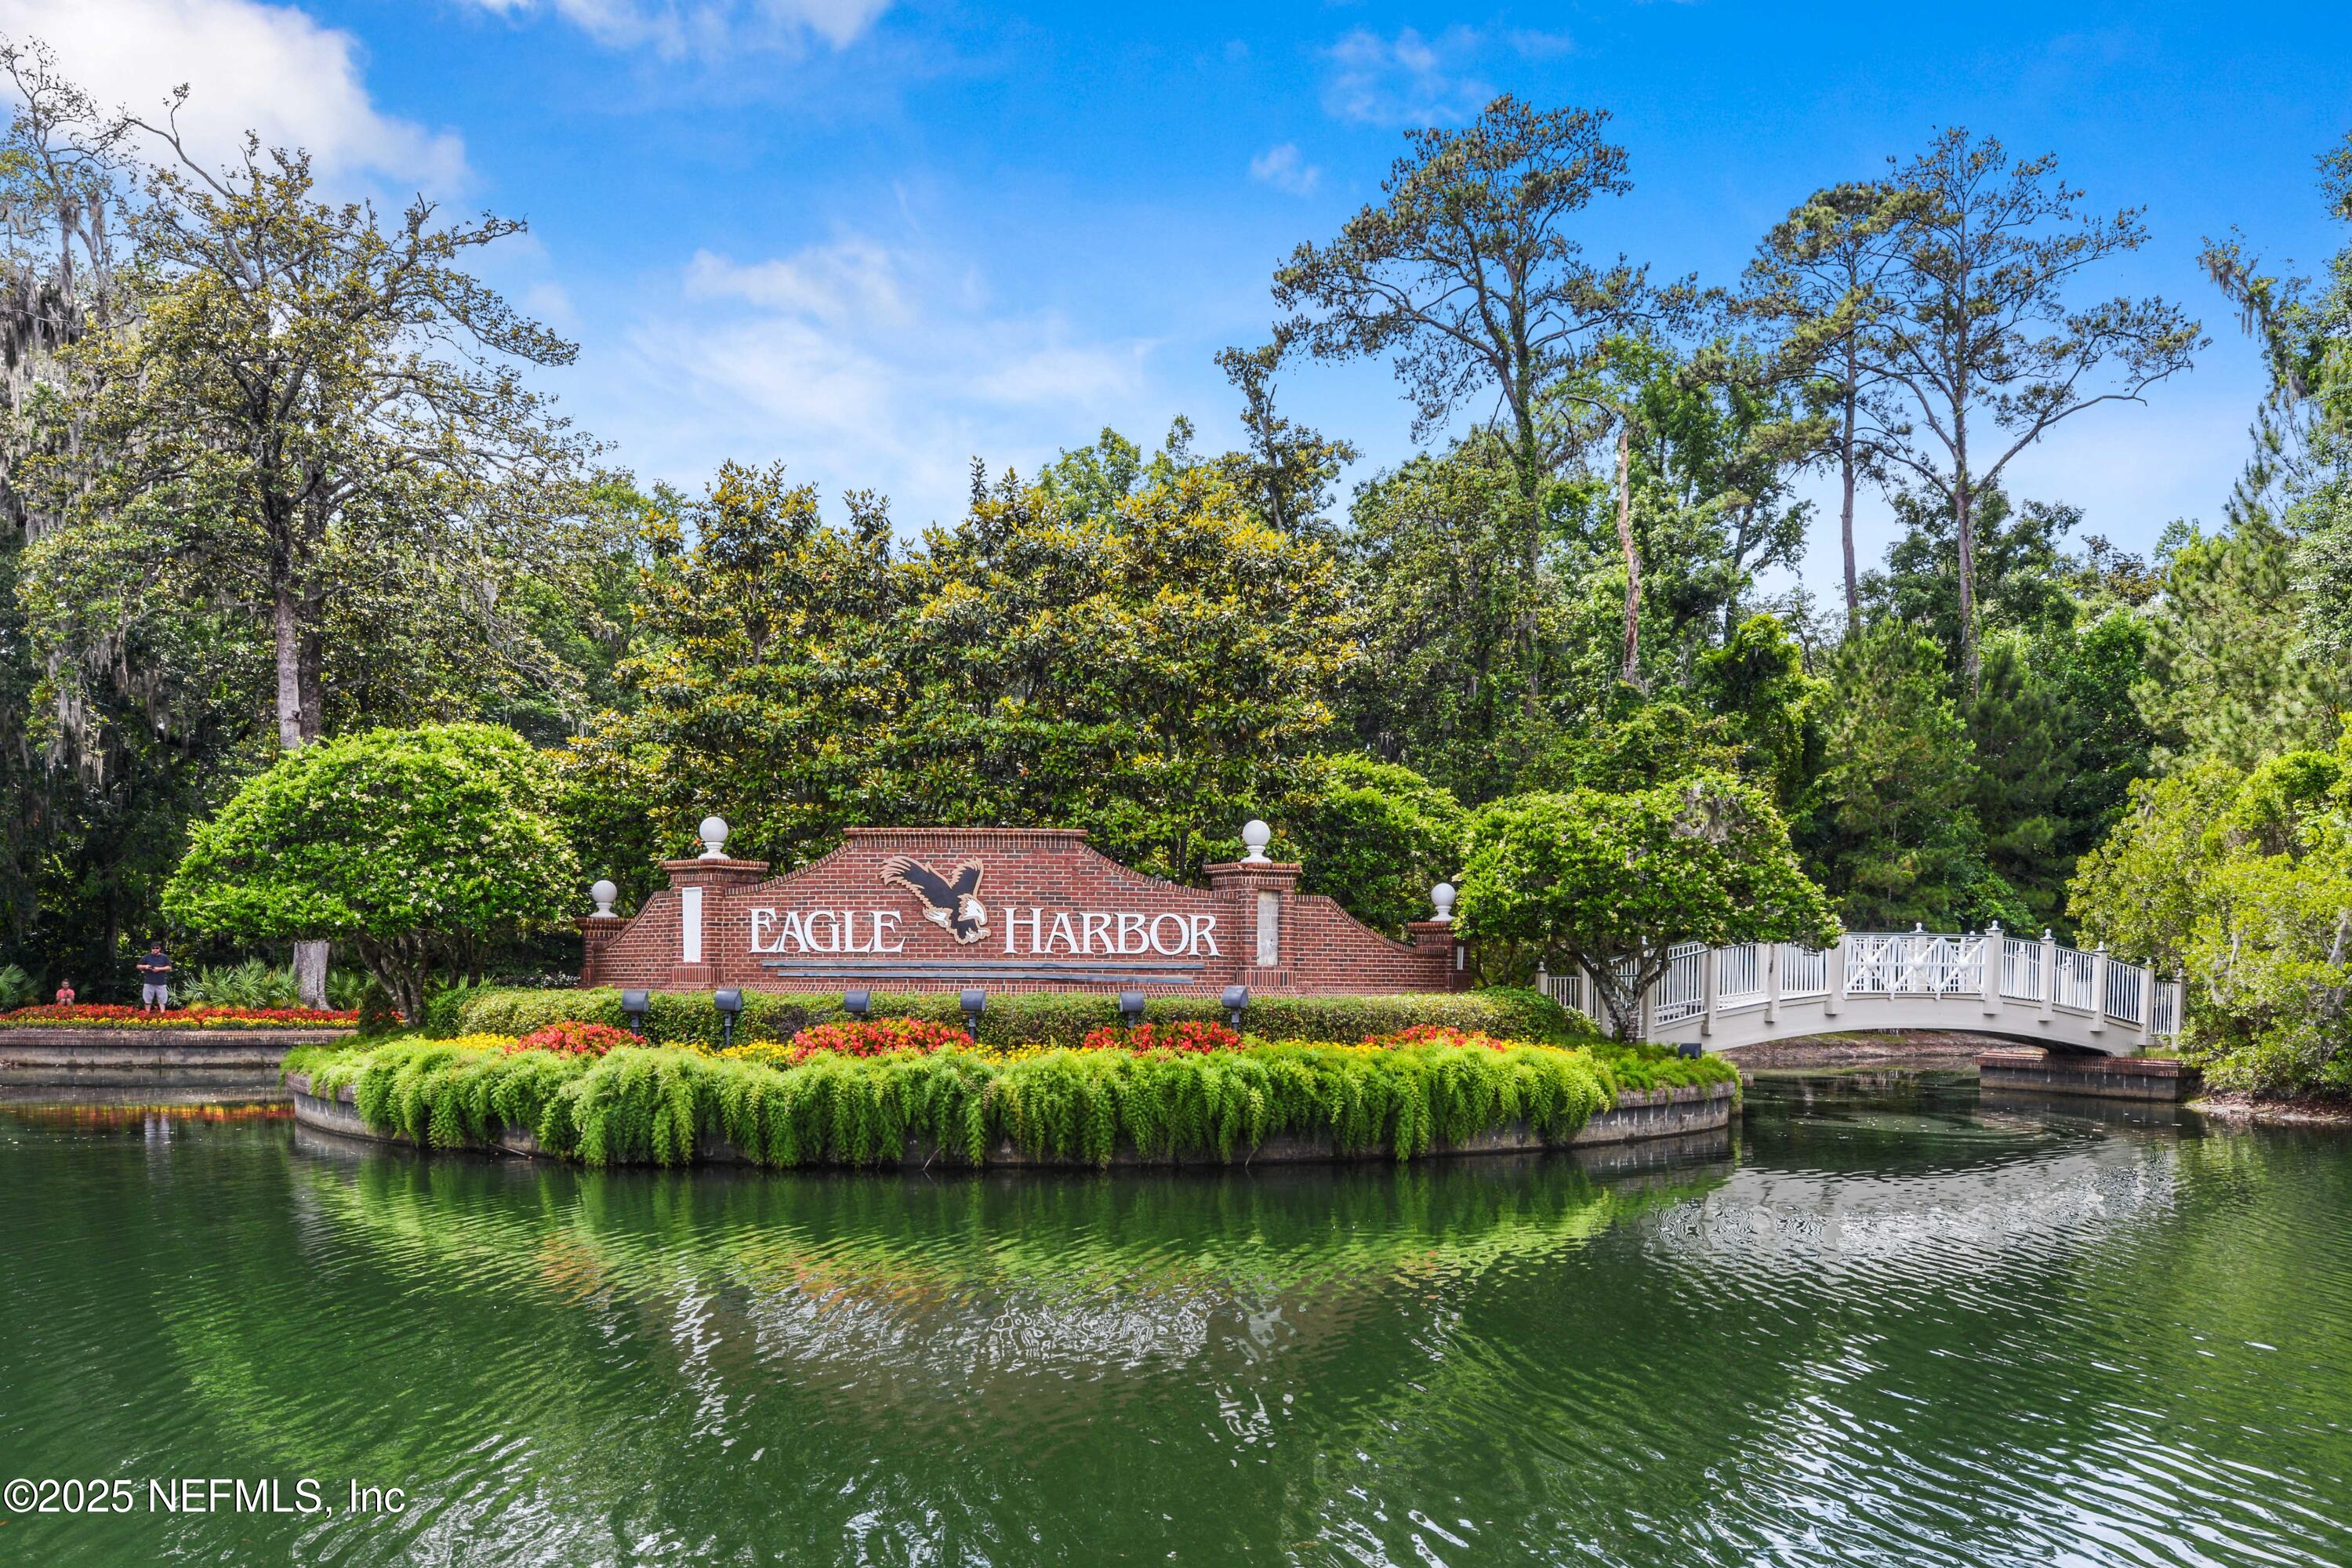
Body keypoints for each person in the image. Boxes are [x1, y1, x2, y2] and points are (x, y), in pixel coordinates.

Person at [136, 941, 172, 1011]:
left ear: (160, 949)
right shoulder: (146, 957)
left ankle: (162, 1014)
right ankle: (147, 1014)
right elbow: (138, 966)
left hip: (161, 982)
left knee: (162, 1000)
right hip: (149, 982)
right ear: (151, 949)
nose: (155, 949)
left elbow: (169, 967)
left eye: (157, 948)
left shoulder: (164, 957)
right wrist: (145, 966)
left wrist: (159, 969)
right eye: (153, 948)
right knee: (147, 999)